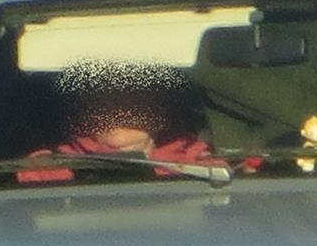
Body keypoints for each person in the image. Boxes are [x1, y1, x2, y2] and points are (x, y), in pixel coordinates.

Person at [16, 61, 219, 183]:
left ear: (162, 108)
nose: (121, 109)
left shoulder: (204, 169)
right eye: (104, 97)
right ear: (81, 109)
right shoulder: (42, 172)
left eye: (135, 95)